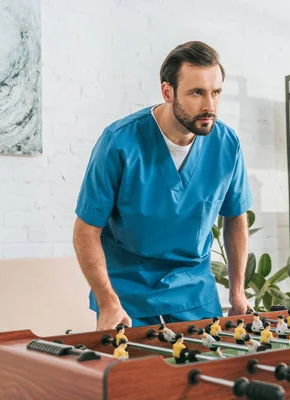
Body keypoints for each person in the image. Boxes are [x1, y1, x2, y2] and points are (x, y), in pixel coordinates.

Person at [72, 41, 253, 330]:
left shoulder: (226, 144)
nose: (210, 106)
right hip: (128, 294)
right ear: (167, 92)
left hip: (193, 293)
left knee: (205, 371)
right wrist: (108, 302)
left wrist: (238, 291)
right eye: (196, 93)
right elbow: (86, 230)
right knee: (135, 375)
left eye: (215, 93)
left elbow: (236, 216)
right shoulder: (119, 142)